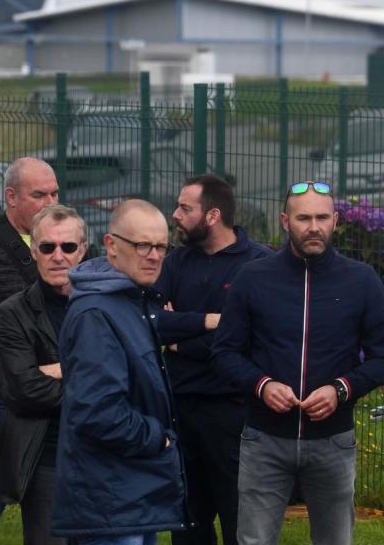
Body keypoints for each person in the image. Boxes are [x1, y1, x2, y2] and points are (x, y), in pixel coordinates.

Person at [211, 180, 384, 545]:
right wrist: (262, 386)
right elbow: (224, 353)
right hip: (264, 439)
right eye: (303, 218)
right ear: (285, 221)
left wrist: (341, 389)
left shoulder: (361, 280)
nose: (314, 227)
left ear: (336, 220)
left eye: (322, 217)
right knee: (253, 540)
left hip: (333, 441)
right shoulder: (253, 277)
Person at [51, 199, 187, 543]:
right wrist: (159, 437)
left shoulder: (131, 301)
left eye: (161, 246)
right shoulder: (97, 314)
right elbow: (98, 412)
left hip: (132, 495)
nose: (154, 255)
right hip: (110, 500)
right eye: (142, 245)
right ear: (111, 245)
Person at [154, 174, 270, 545]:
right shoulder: (174, 263)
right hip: (180, 409)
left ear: (212, 215)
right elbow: (154, 323)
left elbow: (247, 340)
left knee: (241, 520)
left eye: (185, 208)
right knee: (187, 520)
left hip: (234, 413)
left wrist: (180, 344)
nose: (175, 215)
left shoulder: (258, 266)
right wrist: (209, 321)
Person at [0, 205, 87, 545]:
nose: (58, 256)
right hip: (47, 455)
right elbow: (23, 389)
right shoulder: (13, 312)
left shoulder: (106, 303)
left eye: (68, 247)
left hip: (103, 451)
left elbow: (129, 375)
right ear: (33, 251)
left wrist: (61, 370)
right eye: (47, 247)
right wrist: (93, 382)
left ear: (84, 250)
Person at [0, 157, 59, 543]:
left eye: (55, 192)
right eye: (38, 195)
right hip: (0, 403)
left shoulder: (70, 245)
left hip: (58, 403)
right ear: (11, 197)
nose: (49, 202)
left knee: (55, 520)